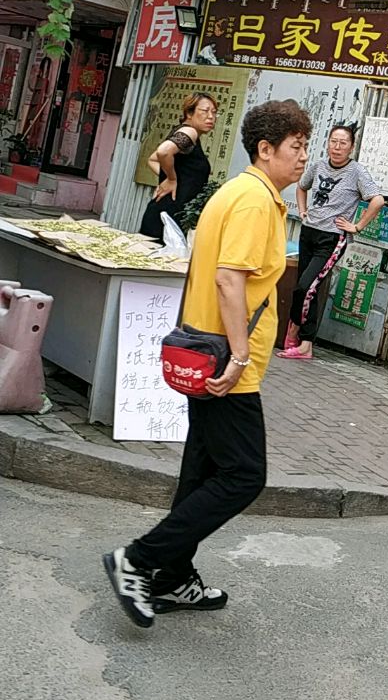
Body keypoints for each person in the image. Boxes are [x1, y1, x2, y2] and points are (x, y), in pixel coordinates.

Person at [103, 99, 312, 629]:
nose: (304, 157)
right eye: (297, 147)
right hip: (224, 363)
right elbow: (228, 279)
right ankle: (140, 558)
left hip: (208, 356)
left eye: (306, 145)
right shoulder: (252, 201)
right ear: (265, 150)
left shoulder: (243, 192)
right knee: (244, 474)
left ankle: (172, 577)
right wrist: (240, 356)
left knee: (201, 472)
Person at [278, 123, 384, 361]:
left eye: (343, 143)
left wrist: (356, 226)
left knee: (305, 287)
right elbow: (301, 187)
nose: (337, 147)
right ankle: (305, 345)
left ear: (352, 147)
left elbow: (377, 200)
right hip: (309, 232)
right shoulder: (317, 165)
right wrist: (303, 211)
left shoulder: (357, 172)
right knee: (309, 289)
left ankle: (297, 331)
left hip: (331, 239)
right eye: (333, 141)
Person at [138, 91, 218, 243]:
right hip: (167, 217)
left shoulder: (184, 133)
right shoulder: (190, 132)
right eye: (205, 111)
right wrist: (171, 179)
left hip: (166, 214)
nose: (211, 117)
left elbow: (153, 159)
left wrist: (169, 178)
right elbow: (163, 152)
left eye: (214, 112)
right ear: (189, 113)